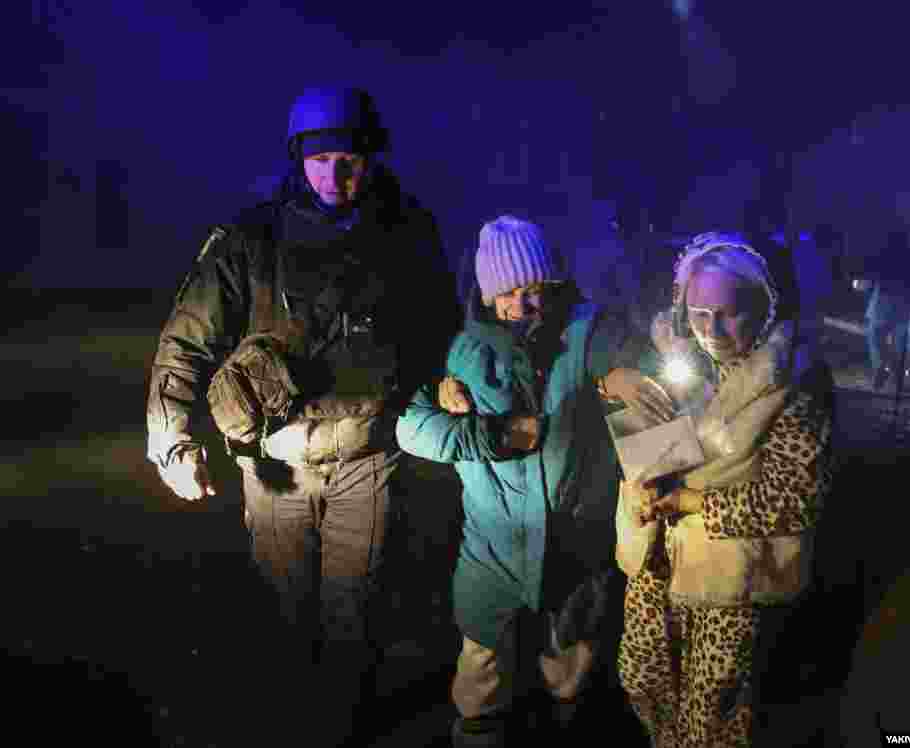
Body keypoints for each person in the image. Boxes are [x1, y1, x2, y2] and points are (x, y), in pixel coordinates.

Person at [145, 84, 459, 746]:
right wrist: (173, 442)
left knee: (356, 617)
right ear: (297, 158)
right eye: (320, 161)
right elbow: (185, 342)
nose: (335, 176)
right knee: (283, 616)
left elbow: (440, 329)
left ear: (372, 157)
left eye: (350, 160)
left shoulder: (409, 233)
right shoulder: (250, 239)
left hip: (367, 459)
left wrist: (450, 385)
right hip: (275, 464)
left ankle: (343, 731)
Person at [395, 215, 675, 746]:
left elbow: (641, 385)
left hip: (578, 549)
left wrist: (622, 378)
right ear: (485, 293)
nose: (526, 306)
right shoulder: (462, 352)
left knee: (570, 673)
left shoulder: (592, 333)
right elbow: (411, 428)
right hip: (491, 554)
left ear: (555, 284)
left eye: (536, 289)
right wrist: (487, 433)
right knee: (481, 677)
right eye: (508, 293)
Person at [614, 232, 835, 747]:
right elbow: (652, 447)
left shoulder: (793, 380)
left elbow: (797, 496)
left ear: (763, 304)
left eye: (728, 313)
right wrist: (646, 485)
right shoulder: (680, 362)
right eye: (698, 313)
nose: (711, 329)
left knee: (714, 718)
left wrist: (694, 502)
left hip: (728, 581)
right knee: (646, 685)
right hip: (657, 564)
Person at [864, 230, 910, 391]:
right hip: (902, 302)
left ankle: (880, 367)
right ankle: (894, 375)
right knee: (899, 343)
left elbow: (873, 274)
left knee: (876, 337)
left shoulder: (883, 253)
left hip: (883, 300)